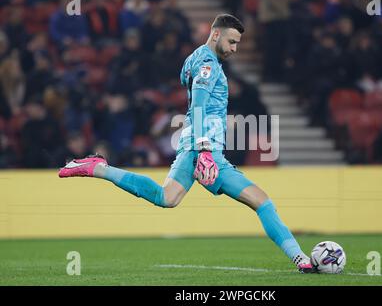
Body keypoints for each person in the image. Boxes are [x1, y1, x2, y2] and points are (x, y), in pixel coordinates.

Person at [58, 14, 314, 273]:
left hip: (194, 142)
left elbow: (187, 86)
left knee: (166, 197)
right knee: (261, 201)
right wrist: (204, 148)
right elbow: (200, 104)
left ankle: (100, 168)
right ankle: (300, 258)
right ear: (216, 34)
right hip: (204, 148)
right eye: (232, 41)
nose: (235, 49)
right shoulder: (208, 64)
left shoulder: (193, 59)